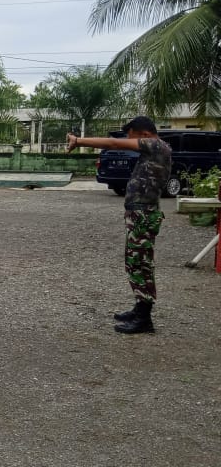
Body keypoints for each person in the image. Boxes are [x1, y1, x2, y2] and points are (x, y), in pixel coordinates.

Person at [67, 116, 172, 334]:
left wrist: (79, 141)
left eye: (130, 137)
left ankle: (144, 318)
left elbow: (113, 144)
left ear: (143, 134)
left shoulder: (154, 144)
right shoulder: (154, 149)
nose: (128, 141)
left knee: (140, 263)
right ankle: (139, 308)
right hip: (140, 213)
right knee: (135, 262)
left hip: (144, 214)